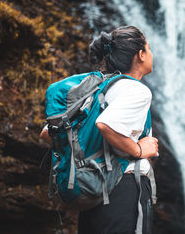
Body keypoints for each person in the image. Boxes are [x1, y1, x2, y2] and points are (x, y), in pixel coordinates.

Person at [40, 26, 159, 234]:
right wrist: (138, 150)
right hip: (123, 189)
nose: (151, 54)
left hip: (95, 193)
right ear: (140, 55)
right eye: (148, 49)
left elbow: (46, 133)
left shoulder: (95, 89)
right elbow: (106, 124)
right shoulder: (137, 90)